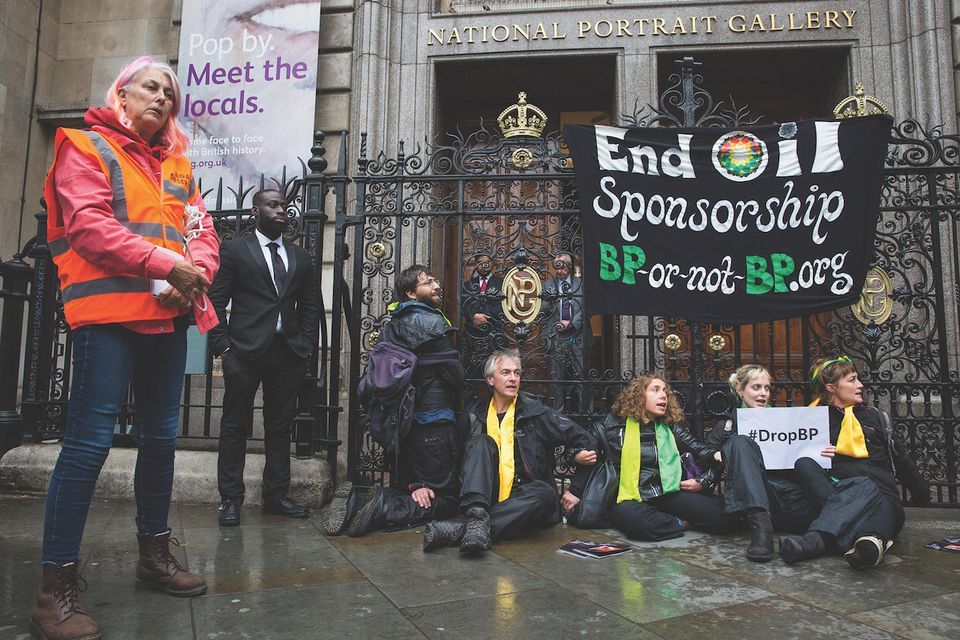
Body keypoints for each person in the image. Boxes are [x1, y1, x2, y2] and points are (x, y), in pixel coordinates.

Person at [34, 56, 219, 640]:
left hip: (166, 321)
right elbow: (88, 226)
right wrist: (168, 264)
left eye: (170, 91)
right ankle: (54, 592)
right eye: (150, 87)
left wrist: (198, 270)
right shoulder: (84, 147)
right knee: (87, 446)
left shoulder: (179, 165)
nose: (163, 97)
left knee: (162, 440)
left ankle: (153, 558)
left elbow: (203, 230)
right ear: (121, 94)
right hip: (107, 318)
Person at [566, 374, 780, 562]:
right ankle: (681, 523)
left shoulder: (668, 427)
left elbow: (699, 448)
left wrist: (713, 459)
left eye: (665, 392)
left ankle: (672, 519)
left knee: (723, 518)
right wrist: (575, 477)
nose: (663, 396)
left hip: (666, 491)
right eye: (655, 390)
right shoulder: (610, 425)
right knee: (637, 523)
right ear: (638, 395)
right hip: (629, 494)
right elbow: (584, 451)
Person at [323, 264, 464, 537]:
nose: (437, 285)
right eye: (428, 282)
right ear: (412, 293)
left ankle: (360, 500)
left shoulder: (392, 324)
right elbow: (455, 375)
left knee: (412, 486)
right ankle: (377, 508)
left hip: (402, 424)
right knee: (445, 497)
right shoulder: (434, 323)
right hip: (434, 424)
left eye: (435, 280)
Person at [208, 188, 320, 526]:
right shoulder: (235, 250)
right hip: (243, 351)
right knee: (234, 425)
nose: (281, 210)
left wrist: (306, 346)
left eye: (284, 205)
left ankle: (276, 495)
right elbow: (215, 301)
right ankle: (230, 498)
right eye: (273, 205)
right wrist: (223, 348)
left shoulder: (300, 256)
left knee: (280, 426)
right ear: (255, 211)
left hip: (287, 353)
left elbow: (311, 305)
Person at [423, 349, 597, 556]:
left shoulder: (537, 413)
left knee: (545, 493)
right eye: (505, 373)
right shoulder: (473, 416)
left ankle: (464, 530)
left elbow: (588, 441)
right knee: (480, 442)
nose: (513, 378)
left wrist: (575, 487)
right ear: (490, 379)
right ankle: (478, 516)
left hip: (526, 497)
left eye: (517, 373)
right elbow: (450, 460)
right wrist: (422, 485)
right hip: (487, 495)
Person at [778, 356, 930, 568]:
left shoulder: (875, 417)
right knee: (805, 463)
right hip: (838, 492)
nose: (860, 385)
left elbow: (901, 457)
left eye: (858, 379)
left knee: (873, 493)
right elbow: (787, 465)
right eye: (852, 380)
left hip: (881, 494)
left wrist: (922, 494)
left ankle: (819, 542)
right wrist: (815, 455)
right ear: (831, 387)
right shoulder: (811, 420)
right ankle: (868, 540)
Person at [704, 364, 816, 534]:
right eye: (756, 387)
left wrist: (817, 452)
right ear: (740, 390)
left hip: (788, 498)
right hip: (751, 502)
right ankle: (761, 526)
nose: (763, 393)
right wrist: (717, 455)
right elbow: (705, 456)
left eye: (767, 388)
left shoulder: (785, 422)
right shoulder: (727, 426)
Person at [541, 252, 583, 410]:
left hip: (577, 337)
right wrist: (549, 303)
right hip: (556, 337)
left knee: (581, 380)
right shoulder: (547, 286)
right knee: (556, 381)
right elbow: (541, 311)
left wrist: (572, 323)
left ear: (569, 267)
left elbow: (586, 309)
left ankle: (586, 415)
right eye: (556, 268)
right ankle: (557, 417)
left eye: (562, 267)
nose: (559, 272)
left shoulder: (580, 284)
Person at [461, 254, 504, 379]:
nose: (484, 265)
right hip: (472, 336)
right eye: (480, 262)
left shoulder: (502, 283)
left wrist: (486, 317)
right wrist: (474, 316)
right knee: (471, 375)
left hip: (495, 335)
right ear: (475, 265)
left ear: (492, 263)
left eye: (487, 262)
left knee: (495, 374)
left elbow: (505, 305)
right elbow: (464, 304)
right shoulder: (468, 285)